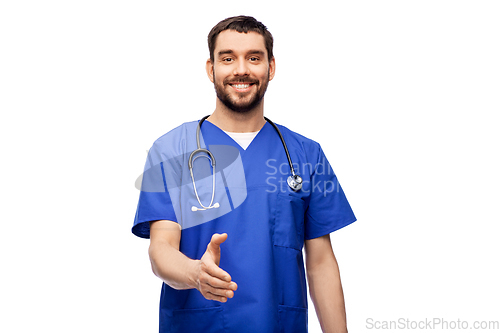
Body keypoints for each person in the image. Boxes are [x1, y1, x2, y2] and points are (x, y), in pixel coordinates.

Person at [132, 15, 356, 333]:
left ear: (271, 67)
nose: (241, 70)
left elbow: (320, 262)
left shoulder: (306, 154)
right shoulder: (171, 150)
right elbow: (161, 249)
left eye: (254, 58)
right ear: (211, 69)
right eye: (228, 58)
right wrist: (196, 273)